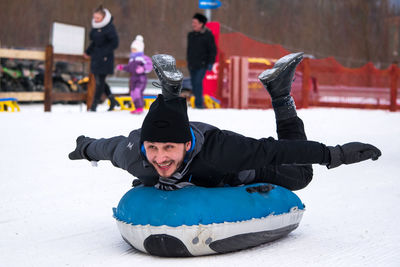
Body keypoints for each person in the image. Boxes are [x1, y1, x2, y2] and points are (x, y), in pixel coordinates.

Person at [69, 53, 381, 191]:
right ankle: (171, 95)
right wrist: (84, 147)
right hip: (176, 130)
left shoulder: (221, 151)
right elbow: (106, 148)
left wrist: (336, 155)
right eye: (152, 148)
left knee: (301, 177)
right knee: (155, 137)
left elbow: (276, 152)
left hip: (238, 170)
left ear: (187, 144)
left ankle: (280, 93)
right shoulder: (136, 155)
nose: (159, 157)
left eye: (168, 148)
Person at [84, 5, 119, 112]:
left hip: (105, 58)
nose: (95, 20)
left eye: (98, 18)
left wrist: (104, 53)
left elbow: (115, 43)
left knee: (100, 82)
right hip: (96, 57)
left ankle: (94, 104)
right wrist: (87, 51)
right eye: (94, 18)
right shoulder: (95, 28)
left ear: (103, 17)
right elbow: (94, 43)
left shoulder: (109, 28)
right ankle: (112, 100)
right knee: (100, 81)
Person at [186, 13, 217, 109]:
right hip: (192, 64)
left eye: (195, 22)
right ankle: (196, 103)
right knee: (194, 84)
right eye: (192, 22)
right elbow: (189, 50)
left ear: (201, 24)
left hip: (202, 64)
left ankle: (199, 105)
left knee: (198, 83)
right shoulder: (191, 35)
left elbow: (213, 50)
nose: (193, 24)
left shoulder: (208, 35)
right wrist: (188, 61)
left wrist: (210, 62)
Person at [116, 35, 152, 114]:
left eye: (134, 49)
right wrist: (122, 67)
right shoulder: (132, 59)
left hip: (141, 79)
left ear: (139, 49)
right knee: (133, 94)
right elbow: (129, 68)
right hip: (133, 79)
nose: (132, 50)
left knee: (137, 92)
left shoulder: (143, 57)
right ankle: (137, 108)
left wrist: (143, 68)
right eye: (132, 49)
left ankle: (140, 108)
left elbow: (150, 65)